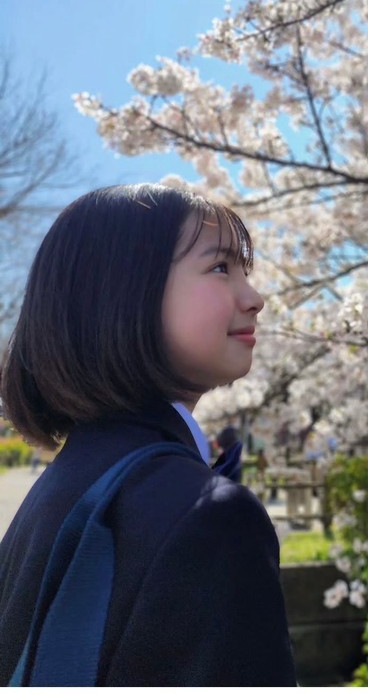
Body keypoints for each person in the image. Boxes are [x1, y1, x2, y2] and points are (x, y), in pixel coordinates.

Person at [0, 183, 297, 686]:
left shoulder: (57, 487)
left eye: (244, 271)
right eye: (220, 267)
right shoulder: (209, 515)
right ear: (123, 292)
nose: (255, 298)